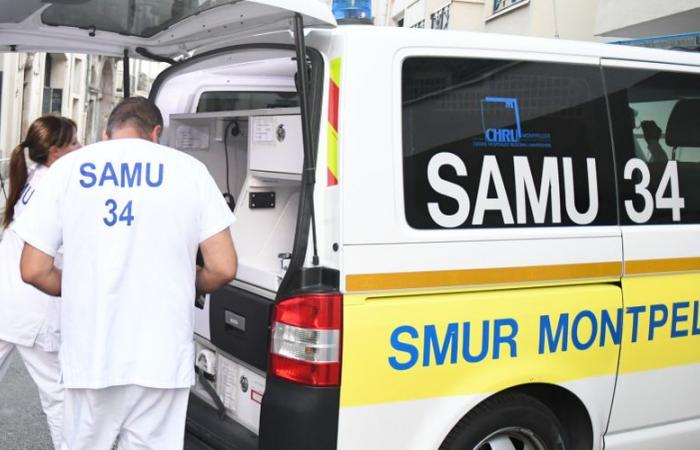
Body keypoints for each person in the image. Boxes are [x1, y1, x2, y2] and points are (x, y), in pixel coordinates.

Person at [14, 97, 238, 449]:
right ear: (156, 132)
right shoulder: (189, 170)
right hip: (160, 358)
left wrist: (75, 287)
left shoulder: (69, 168)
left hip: (91, 354)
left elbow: (33, 270)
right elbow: (224, 267)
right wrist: (187, 282)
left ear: (106, 131)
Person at [0, 115, 81, 449]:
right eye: (75, 142)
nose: (82, 147)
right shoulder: (57, 186)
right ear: (56, 153)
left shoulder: (37, 176)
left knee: (58, 397)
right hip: (31, 306)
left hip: (8, 298)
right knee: (59, 398)